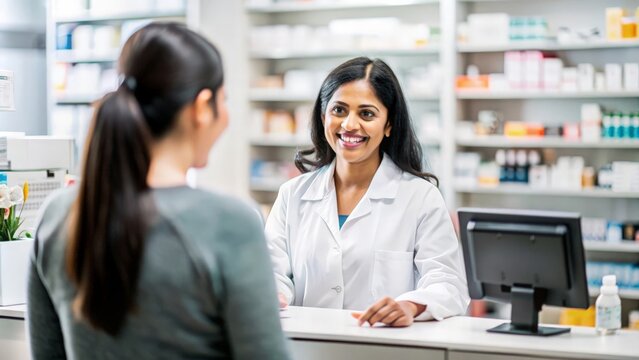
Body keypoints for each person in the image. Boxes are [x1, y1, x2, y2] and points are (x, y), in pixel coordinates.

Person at [27, 23, 289, 359]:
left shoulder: (59, 213)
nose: (226, 117)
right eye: (224, 101)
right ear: (201, 107)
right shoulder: (229, 223)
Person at [266, 57, 469, 327]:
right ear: (323, 115)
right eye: (339, 110)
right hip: (308, 347)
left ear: (388, 125)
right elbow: (273, 272)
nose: (349, 125)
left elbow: (448, 283)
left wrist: (410, 305)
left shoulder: (420, 198)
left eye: (367, 114)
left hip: (384, 348)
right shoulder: (292, 195)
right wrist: (273, 292)